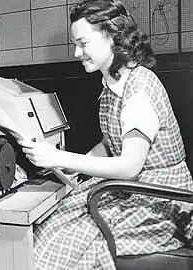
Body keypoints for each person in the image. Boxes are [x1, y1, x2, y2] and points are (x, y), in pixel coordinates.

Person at [18, 0, 193, 269]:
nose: (77, 52)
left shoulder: (139, 90)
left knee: (55, 242)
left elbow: (130, 166)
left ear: (112, 36)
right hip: (132, 189)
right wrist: (71, 163)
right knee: (50, 222)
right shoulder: (114, 81)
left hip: (157, 199)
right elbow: (109, 143)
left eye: (83, 43)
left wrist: (58, 156)